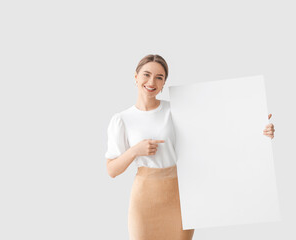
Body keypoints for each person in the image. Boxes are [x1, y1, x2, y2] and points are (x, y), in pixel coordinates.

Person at [105, 54, 275, 240]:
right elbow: (112, 170)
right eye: (146, 74)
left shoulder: (177, 110)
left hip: (180, 197)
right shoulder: (122, 119)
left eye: (159, 77)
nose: (151, 81)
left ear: (163, 84)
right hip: (144, 199)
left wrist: (257, 127)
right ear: (136, 77)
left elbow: (217, 129)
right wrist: (134, 151)